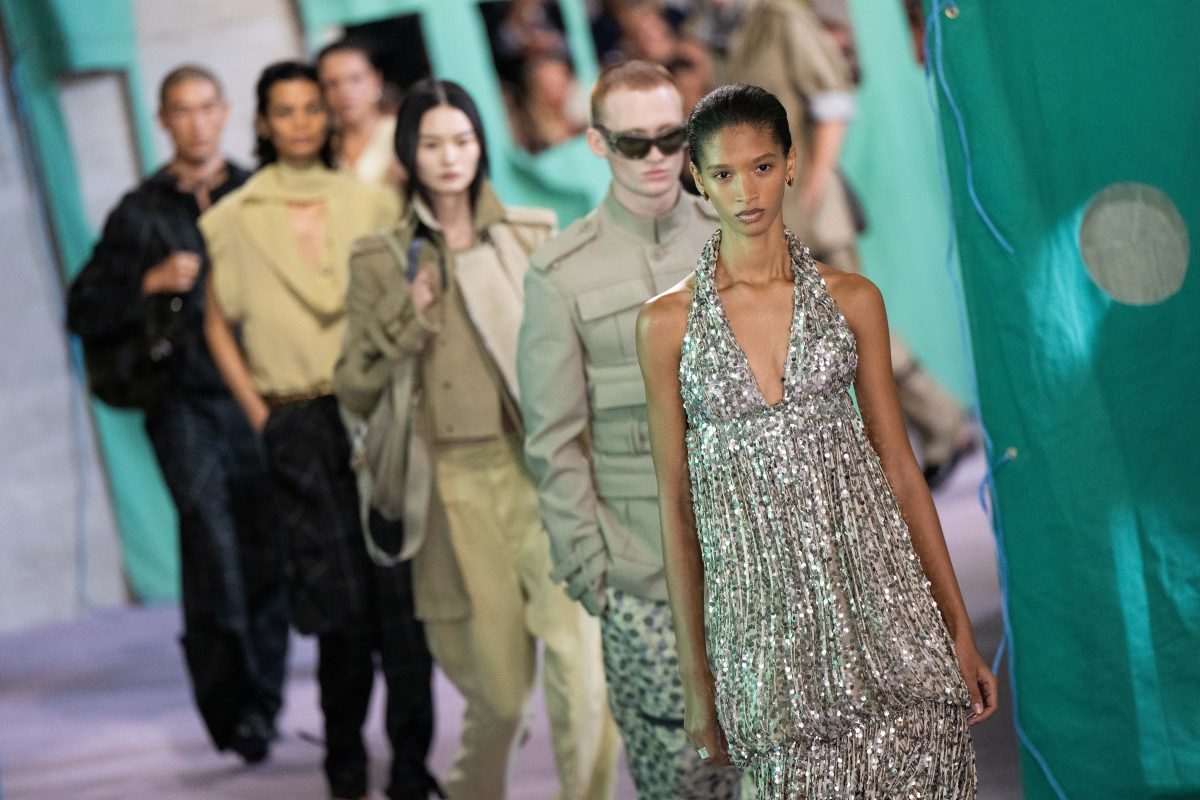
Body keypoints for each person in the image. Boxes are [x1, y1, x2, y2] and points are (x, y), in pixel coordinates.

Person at [636, 84, 997, 796]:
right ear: (699, 182)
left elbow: (900, 468)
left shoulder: (854, 299)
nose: (747, 191)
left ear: (792, 164)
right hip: (766, 649)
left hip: (890, 622)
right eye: (725, 174)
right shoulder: (665, 326)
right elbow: (675, 502)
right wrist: (697, 676)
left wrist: (957, 623)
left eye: (762, 166)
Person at [332, 78, 617, 800]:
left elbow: (576, 355)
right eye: (431, 144)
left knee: (583, 676)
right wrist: (410, 316)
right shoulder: (380, 259)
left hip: (541, 477)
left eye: (462, 140)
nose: (450, 157)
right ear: (408, 155)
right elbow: (355, 387)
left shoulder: (531, 232)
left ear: (481, 143)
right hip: (451, 488)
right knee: (497, 699)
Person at [200, 60, 435, 800]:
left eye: (312, 107)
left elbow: (404, 301)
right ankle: (342, 764)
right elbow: (215, 323)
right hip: (296, 419)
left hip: (374, 411)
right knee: (338, 610)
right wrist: (261, 414)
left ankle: (407, 766)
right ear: (263, 123)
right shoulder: (232, 218)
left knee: (401, 602)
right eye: (285, 110)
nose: (301, 121)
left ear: (328, 117)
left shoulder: (369, 201)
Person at [517, 61, 739, 798]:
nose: (655, 159)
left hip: (759, 563)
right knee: (679, 778)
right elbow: (552, 439)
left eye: (672, 138)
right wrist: (593, 572)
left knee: (783, 769)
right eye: (633, 142)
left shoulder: (737, 237)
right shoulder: (561, 273)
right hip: (643, 577)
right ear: (595, 143)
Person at [66, 65, 288, 765]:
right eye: (180, 112)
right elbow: (84, 307)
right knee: (210, 542)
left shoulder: (258, 194)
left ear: (224, 113)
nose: (194, 123)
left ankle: (264, 702)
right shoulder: (140, 211)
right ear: (162, 120)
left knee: (264, 547)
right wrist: (148, 282)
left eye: (204, 109)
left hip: (258, 395)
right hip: (183, 403)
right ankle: (235, 708)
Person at [725, 0, 974, 485]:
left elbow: (833, 100)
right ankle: (934, 424)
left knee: (849, 322)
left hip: (808, 212)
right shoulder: (746, 26)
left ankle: (941, 421)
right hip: (780, 212)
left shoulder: (780, 17)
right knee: (830, 331)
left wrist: (815, 185)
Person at [316, 39, 405, 190]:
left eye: (355, 79)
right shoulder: (321, 146)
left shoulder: (401, 133)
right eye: (332, 83)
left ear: (376, 79)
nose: (344, 92)